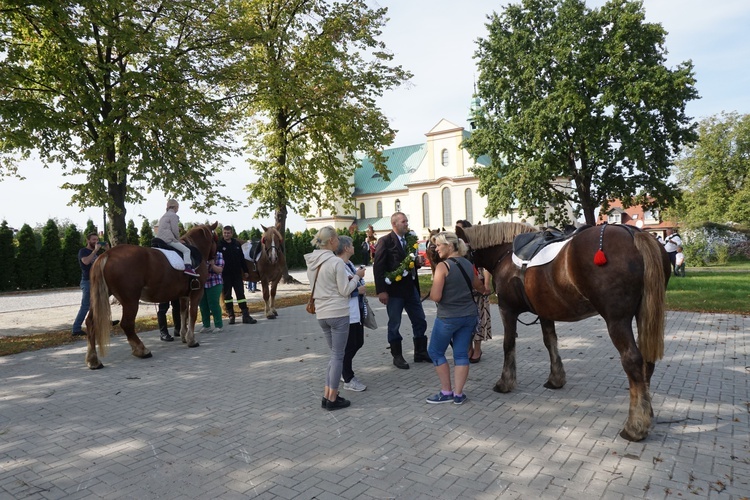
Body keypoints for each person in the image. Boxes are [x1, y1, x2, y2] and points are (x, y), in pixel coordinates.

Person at [304, 226, 365, 410]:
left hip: (322, 313)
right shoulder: (336, 263)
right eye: (337, 237)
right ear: (331, 241)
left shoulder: (312, 262)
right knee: (338, 356)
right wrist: (356, 277)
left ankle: (328, 394)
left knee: (335, 356)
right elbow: (345, 291)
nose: (339, 241)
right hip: (338, 313)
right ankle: (332, 398)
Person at [425, 231, 489, 405]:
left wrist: (433, 291)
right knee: (461, 354)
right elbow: (480, 287)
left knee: (435, 352)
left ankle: (446, 392)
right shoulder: (468, 264)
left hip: (448, 317)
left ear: (450, 246)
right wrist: (486, 291)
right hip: (469, 315)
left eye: (439, 245)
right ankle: (459, 394)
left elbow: (436, 297)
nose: (436, 249)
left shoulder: (442, 267)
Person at [373, 212, 430, 369]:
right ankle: (397, 356)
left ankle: (420, 352)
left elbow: (409, 263)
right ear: (394, 224)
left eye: (406, 221)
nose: (406, 223)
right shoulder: (385, 241)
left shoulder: (410, 240)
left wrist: (418, 262)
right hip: (394, 291)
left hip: (411, 288)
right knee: (394, 323)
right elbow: (378, 267)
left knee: (420, 319)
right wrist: (381, 291)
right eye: (403, 221)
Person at [455, 219, 491, 363]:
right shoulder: (457, 248)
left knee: (479, 318)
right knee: (466, 319)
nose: (457, 233)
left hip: (479, 285)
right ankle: (468, 347)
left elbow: (487, 266)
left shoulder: (478, 247)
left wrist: (486, 285)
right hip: (464, 288)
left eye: (459, 230)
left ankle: (477, 348)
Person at [335, 235, 368, 392]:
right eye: (352, 245)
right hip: (347, 311)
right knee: (351, 344)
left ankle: (343, 370)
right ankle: (348, 377)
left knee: (358, 342)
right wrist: (357, 288)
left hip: (356, 310)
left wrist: (358, 280)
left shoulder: (348, 264)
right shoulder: (339, 265)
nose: (354, 247)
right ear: (346, 248)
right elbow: (342, 290)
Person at [72, 232, 110, 336]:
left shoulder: (96, 253)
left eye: (97, 240)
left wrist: (107, 249)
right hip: (87, 282)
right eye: (94, 240)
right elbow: (86, 262)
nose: (96, 242)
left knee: (101, 303)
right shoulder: (83, 251)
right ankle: (76, 328)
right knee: (85, 306)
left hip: (97, 281)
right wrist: (95, 250)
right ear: (88, 241)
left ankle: (104, 322)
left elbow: (109, 259)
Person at [219, 226, 256, 325]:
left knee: (241, 295)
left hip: (237, 275)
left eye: (228, 233)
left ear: (232, 234)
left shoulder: (236, 244)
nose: (226, 234)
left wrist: (246, 271)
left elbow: (241, 258)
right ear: (223, 233)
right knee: (227, 296)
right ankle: (231, 315)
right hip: (225, 275)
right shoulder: (219, 245)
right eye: (225, 233)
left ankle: (246, 315)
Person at [156, 199, 199, 276]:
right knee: (187, 250)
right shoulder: (173, 216)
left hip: (159, 239)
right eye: (178, 207)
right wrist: (178, 240)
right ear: (175, 207)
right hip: (168, 239)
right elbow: (175, 230)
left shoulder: (163, 216)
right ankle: (188, 268)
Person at [199, 251, 225, 333]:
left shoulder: (218, 255)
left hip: (215, 283)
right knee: (203, 305)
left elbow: (219, 270)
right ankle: (206, 325)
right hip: (202, 284)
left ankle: (218, 325)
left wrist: (212, 265)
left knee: (213, 304)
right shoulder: (200, 254)